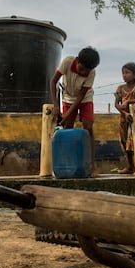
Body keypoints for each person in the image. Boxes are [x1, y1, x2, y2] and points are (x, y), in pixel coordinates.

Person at [50, 46, 100, 176]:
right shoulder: (67, 61)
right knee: (67, 129)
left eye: (86, 71)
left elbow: (81, 96)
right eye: (81, 68)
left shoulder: (91, 73)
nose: (83, 72)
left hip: (84, 100)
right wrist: (56, 106)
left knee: (88, 128)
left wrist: (67, 113)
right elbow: (53, 81)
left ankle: (92, 166)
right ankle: (65, 165)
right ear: (77, 60)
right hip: (68, 98)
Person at [114, 62, 135, 174]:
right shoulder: (120, 88)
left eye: (127, 72)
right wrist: (124, 113)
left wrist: (128, 101)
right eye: (123, 73)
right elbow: (116, 104)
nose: (124, 75)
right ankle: (130, 166)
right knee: (124, 141)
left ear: (134, 74)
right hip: (124, 118)